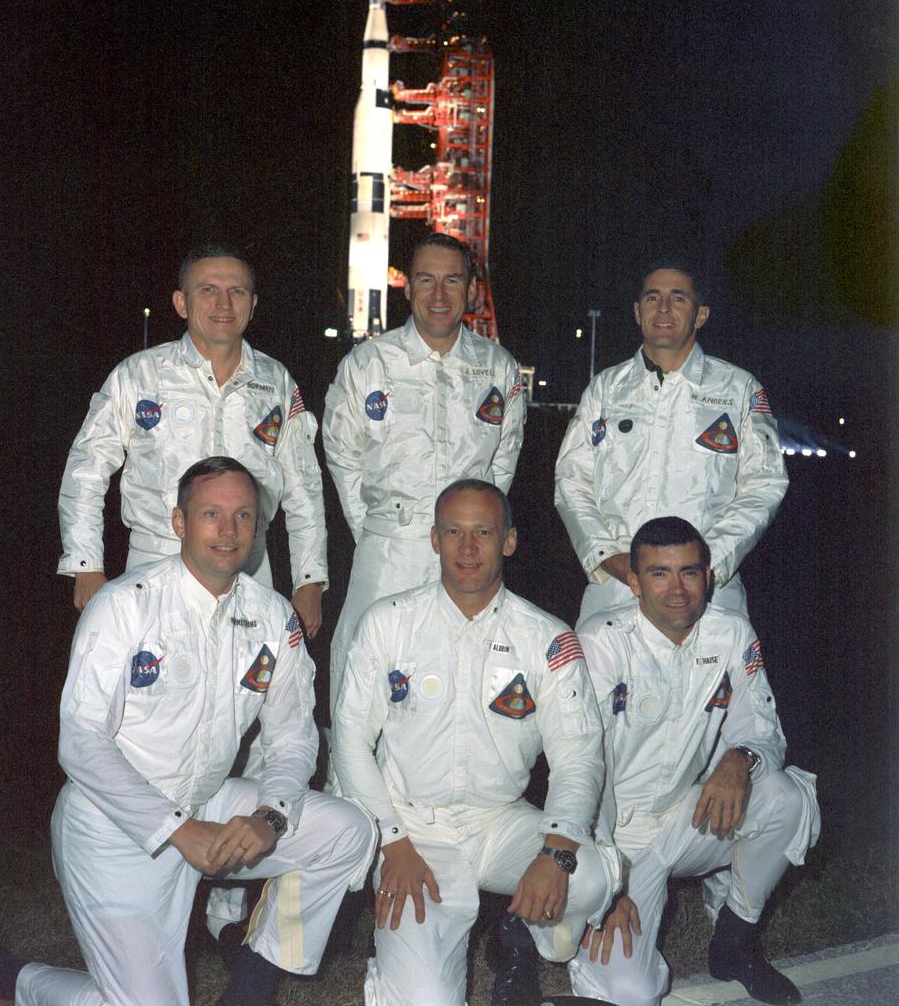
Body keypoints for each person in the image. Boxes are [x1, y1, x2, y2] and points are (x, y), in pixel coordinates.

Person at [0, 457, 376, 1006]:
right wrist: (177, 830)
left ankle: (251, 985)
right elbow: (80, 741)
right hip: (114, 827)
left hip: (206, 803)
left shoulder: (274, 616)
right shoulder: (124, 605)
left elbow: (293, 735)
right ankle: (0, 973)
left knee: (347, 831)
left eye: (243, 515)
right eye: (211, 513)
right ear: (179, 522)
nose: (228, 530)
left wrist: (271, 815)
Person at [332, 479, 619, 1006]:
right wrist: (392, 842)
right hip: (413, 830)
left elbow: (579, 755)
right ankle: (400, 959)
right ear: (434, 539)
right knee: (427, 1000)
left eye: (483, 532)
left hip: (497, 822)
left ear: (508, 540)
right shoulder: (387, 623)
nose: (467, 548)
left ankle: (524, 934)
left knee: (590, 874)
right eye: (454, 532)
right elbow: (349, 740)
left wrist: (555, 854)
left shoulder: (548, 638)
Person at [569, 516, 819, 1006]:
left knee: (786, 798)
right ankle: (549, 923)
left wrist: (740, 758)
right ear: (634, 582)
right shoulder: (602, 640)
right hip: (614, 839)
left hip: (684, 817)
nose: (677, 589)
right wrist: (606, 882)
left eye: (689, 572)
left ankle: (735, 945)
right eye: (659, 573)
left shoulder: (730, 632)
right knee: (633, 994)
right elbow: (582, 768)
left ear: (708, 577)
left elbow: (763, 729)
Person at [57, 244, 328, 638]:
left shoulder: (276, 382)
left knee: (247, 676)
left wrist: (310, 579)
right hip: (156, 560)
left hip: (247, 566)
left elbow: (304, 487)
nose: (224, 304)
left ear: (253, 305)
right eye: (208, 290)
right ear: (181, 303)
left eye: (236, 291)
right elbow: (86, 470)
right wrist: (86, 564)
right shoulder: (139, 376)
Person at [324, 232, 525, 713]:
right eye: (426, 280)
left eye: (452, 280)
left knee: (462, 681)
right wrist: (374, 530)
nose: (439, 294)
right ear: (408, 288)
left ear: (471, 290)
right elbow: (342, 454)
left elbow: (503, 459)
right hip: (388, 550)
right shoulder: (368, 364)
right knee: (367, 678)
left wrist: (476, 531)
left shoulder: (498, 368)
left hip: (467, 552)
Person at [555, 263, 787, 625]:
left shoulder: (739, 390)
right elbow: (572, 480)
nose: (664, 308)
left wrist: (705, 563)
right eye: (653, 298)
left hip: (708, 593)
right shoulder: (605, 389)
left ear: (701, 314)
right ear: (637, 311)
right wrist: (609, 557)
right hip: (618, 587)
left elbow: (764, 484)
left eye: (678, 298)